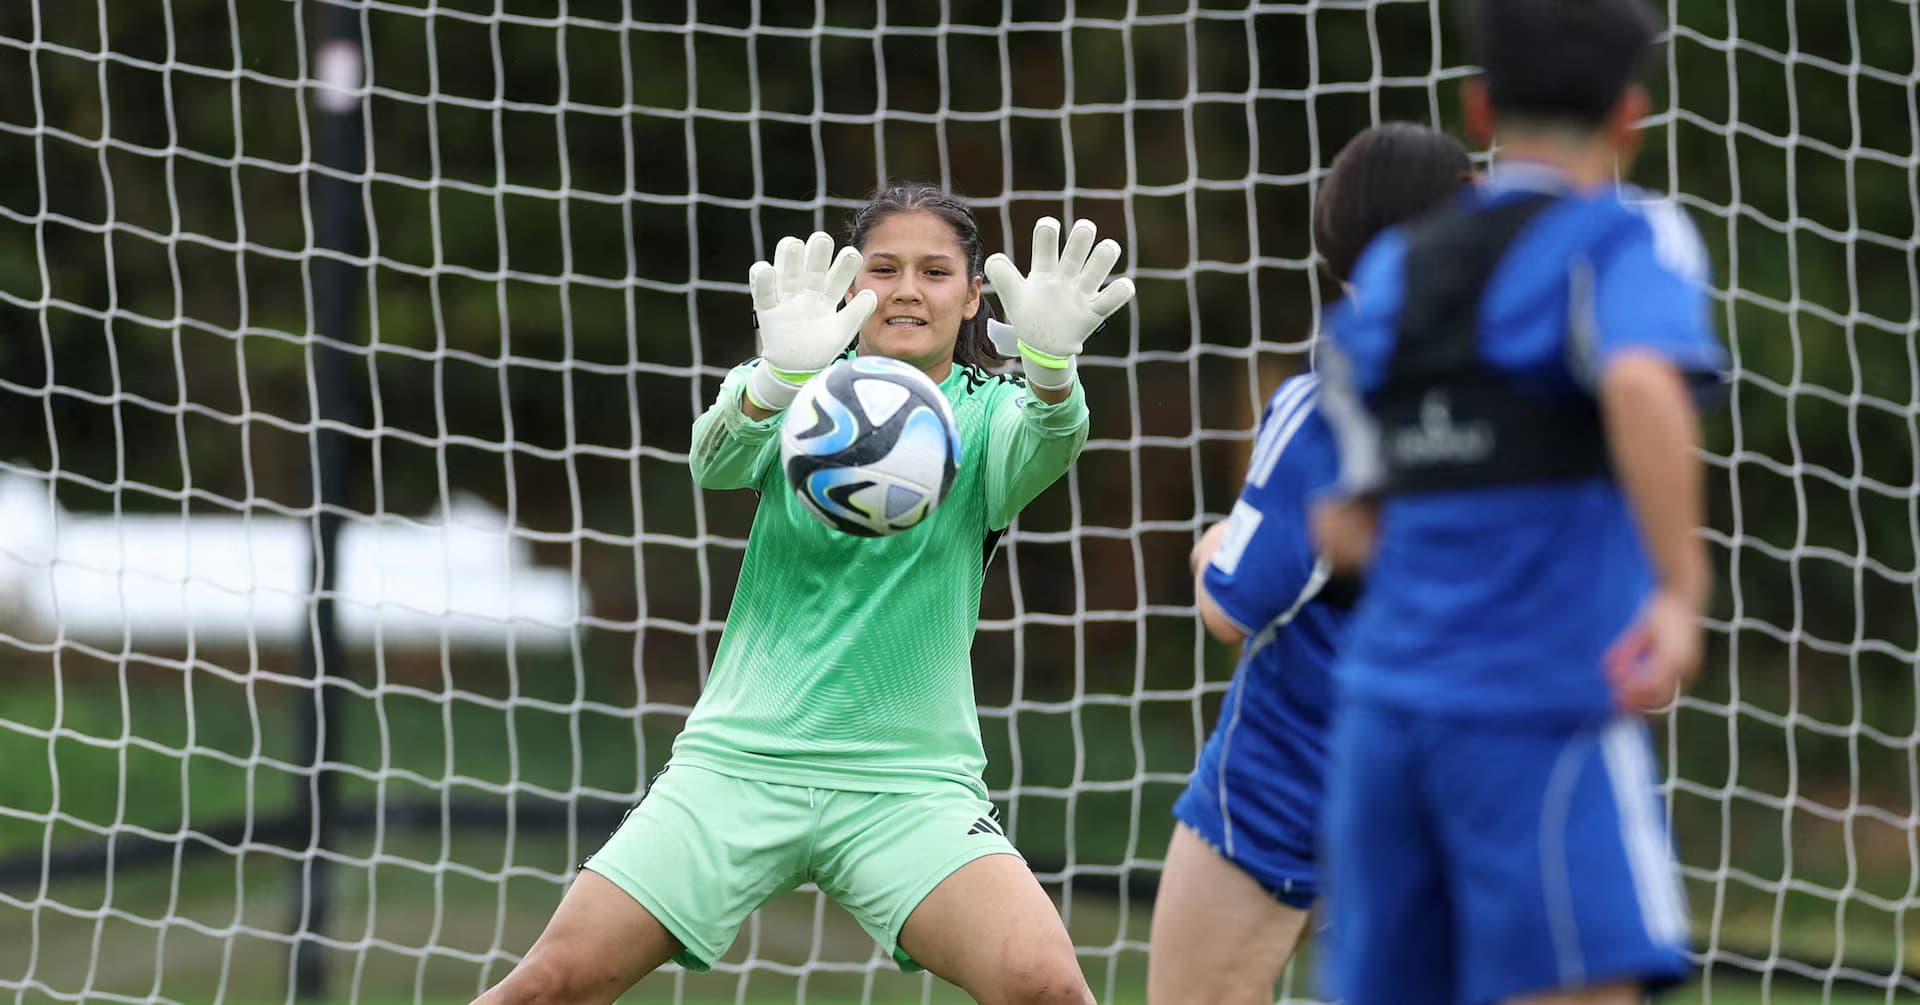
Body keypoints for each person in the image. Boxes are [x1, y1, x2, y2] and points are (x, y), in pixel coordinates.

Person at [471, 184, 1135, 1005]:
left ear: (972, 298)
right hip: (739, 765)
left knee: (1049, 989)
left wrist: (1052, 371)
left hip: (909, 785)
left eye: (935, 271)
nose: (906, 289)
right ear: (854, 285)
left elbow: (1050, 442)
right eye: (884, 267)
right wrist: (778, 379)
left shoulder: (996, 413)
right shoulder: (798, 381)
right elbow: (713, 460)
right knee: (547, 986)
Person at [1310, 1, 1726, 1003]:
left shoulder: (1392, 271)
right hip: (1537, 711)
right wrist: (1679, 589)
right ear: (1631, 117)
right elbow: (1637, 381)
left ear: (1481, 106)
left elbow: (1344, 520)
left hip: (1383, 716)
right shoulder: (1623, 239)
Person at [1144, 122, 1474, 1005]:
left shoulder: (1324, 397)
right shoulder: (1523, 385)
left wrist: (1212, 545)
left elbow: (1234, 602)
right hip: (1455, 787)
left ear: (1338, 237)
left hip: (1289, 779)